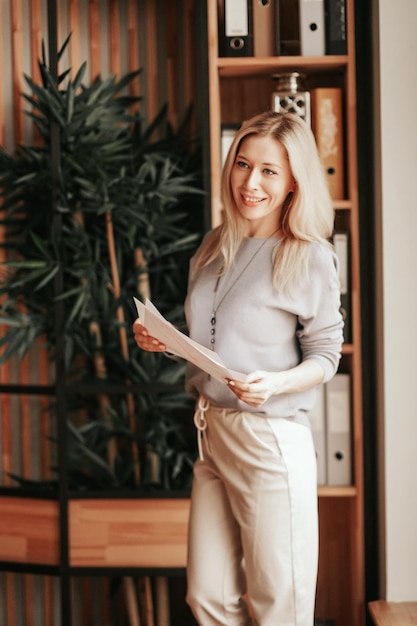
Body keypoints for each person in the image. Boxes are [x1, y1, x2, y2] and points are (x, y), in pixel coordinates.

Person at [133, 110, 344, 626]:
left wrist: (274, 382)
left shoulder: (308, 255)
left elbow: (326, 355)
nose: (251, 182)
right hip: (212, 434)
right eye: (243, 164)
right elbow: (212, 336)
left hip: (269, 439)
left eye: (270, 170)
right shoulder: (212, 247)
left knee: (280, 607)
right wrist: (162, 342)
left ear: (294, 180)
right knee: (207, 598)